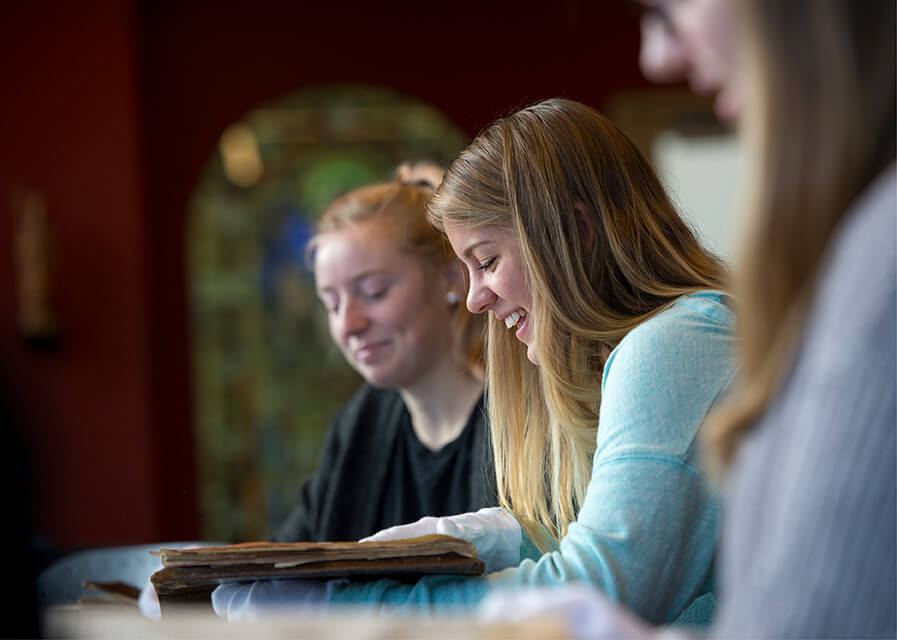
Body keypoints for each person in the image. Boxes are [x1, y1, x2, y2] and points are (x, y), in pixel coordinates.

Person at [212, 98, 738, 624]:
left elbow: (600, 589)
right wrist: (487, 538)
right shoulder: (653, 347)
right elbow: (599, 534)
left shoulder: (674, 340)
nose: (474, 300)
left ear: (576, 233)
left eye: (487, 261)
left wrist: (353, 605)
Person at [481, 1, 895, 638]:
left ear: (574, 235)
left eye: (669, 8)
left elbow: (814, 611)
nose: (657, 56)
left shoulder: (674, 341)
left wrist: (371, 606)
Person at [274, 172, 497, 543]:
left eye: (374, 292)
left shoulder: (520, 423)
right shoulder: (359, 427)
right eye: (331, 304)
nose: (349, 324)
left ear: (451, 279)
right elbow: (287, 564)